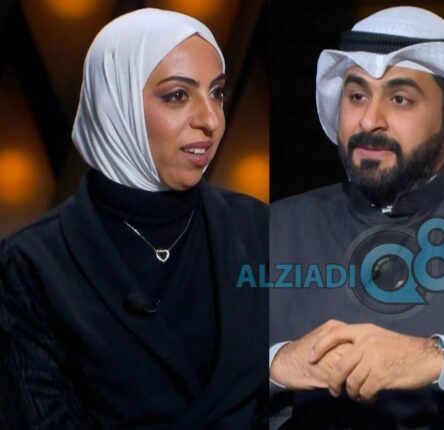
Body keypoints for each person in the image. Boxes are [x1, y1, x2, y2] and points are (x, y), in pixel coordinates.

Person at [266, 6, 444, 429]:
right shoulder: (274, 227)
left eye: (400, 99)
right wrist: (277, 364)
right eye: (357, 96)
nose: (370, 120)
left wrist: (433, 359)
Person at [0, 9, 268, 428]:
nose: (211, 120)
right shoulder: (29, 263)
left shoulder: (258, 227)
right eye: (177, 95)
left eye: (217, 93)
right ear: (116, 104)